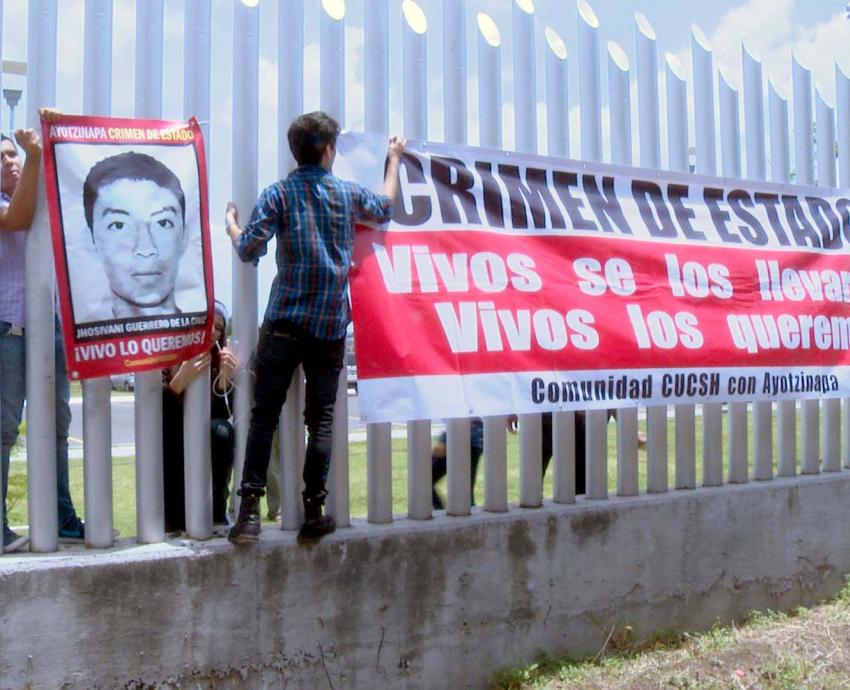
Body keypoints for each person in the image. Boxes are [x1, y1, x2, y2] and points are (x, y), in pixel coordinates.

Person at [225, 111, 405, 545]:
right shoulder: (345, 195)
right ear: (328, 150)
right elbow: (384, 209)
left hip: (284, 321)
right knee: (320, 420)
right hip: (327, 327)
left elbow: (250, 248)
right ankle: (314, 510)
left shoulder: (278, 194)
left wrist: (232, 224)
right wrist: (393, 159)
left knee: (263, 417)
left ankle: (248, 513)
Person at [1, 112, 85, 552]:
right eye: (1, 158)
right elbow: (15, 220)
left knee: (56, 426)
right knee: (4, 428)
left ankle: (61, 516)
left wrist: (46, 147)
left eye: (12, 153)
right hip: (9, 329)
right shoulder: (6, 202)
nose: (10, 162)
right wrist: (34, 155)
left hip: (49, 328)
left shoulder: (47, 200)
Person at [83, 152, 188, 318]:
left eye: (163, 223)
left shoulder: (202, 341)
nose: (146, 249)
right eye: (119, 225)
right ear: (91, 241)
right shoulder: (77, 341)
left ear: (184, 237)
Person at [161, 300, 236, 532]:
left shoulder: (219, 360)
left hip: (206, 456)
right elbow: (157, 422)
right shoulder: (166, 356)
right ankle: (175, 517)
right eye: (207, 324)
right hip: (172, 456)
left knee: (222, 432)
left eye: (219, 327)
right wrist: (178, 384)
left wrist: (223, 382)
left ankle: (216, 512)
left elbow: (221, 421)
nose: (212, 332)